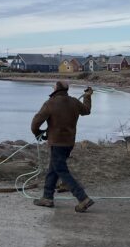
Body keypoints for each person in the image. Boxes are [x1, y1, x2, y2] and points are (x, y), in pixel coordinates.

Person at [30, 81, 94, 212]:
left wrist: (38, 133)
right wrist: (88, 96)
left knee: (61, 171)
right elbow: (86, 111)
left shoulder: (50, 103)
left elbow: (35, 123)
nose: (52, 87)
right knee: (53, 169)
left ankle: (83, 198)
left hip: (57, 143)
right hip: (69, 142)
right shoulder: (74, 102)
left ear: (56, 89)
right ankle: (47, 198)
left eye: (54, 85)